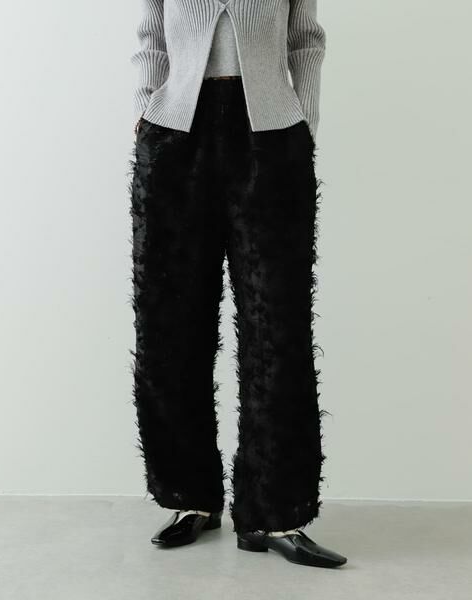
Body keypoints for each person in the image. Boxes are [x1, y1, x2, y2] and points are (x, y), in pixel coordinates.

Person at [129, 0, 347, 568]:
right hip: (174, 138)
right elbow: (152, 37)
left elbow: (306, 40)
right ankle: (189, 497)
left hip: (271, 139)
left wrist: (304, 121)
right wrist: (146, 110)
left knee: (277, 327)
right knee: (171, 323)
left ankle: (275, 514)